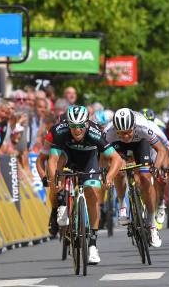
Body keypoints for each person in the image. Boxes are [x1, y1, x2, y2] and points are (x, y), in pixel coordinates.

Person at [47, 106, 123, 265]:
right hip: (67, 158)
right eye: (73, 126)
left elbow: (116, 159)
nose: (77, 130)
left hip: (89, 160)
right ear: (68, 124)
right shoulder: (60, 131)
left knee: (92, 192)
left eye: (80, 126)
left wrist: (109, 177)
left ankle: (93, 245)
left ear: (87, 124)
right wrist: (56, 180)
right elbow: (53, 160)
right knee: (56, 174)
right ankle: (61, 203)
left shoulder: (96, 134)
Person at [106, 108, 169, 248]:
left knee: (146, 178)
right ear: (116, 129)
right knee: (120, 170)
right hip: (118, 146)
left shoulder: (143, 126)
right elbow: (101, 154)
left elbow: (161, 150)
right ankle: (122, 204)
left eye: (128, 132)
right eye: (122, 133)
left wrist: (156, 168)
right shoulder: (109, 131)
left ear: (133, 126)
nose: (126, 136)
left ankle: (152, 225)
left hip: (140, 143)